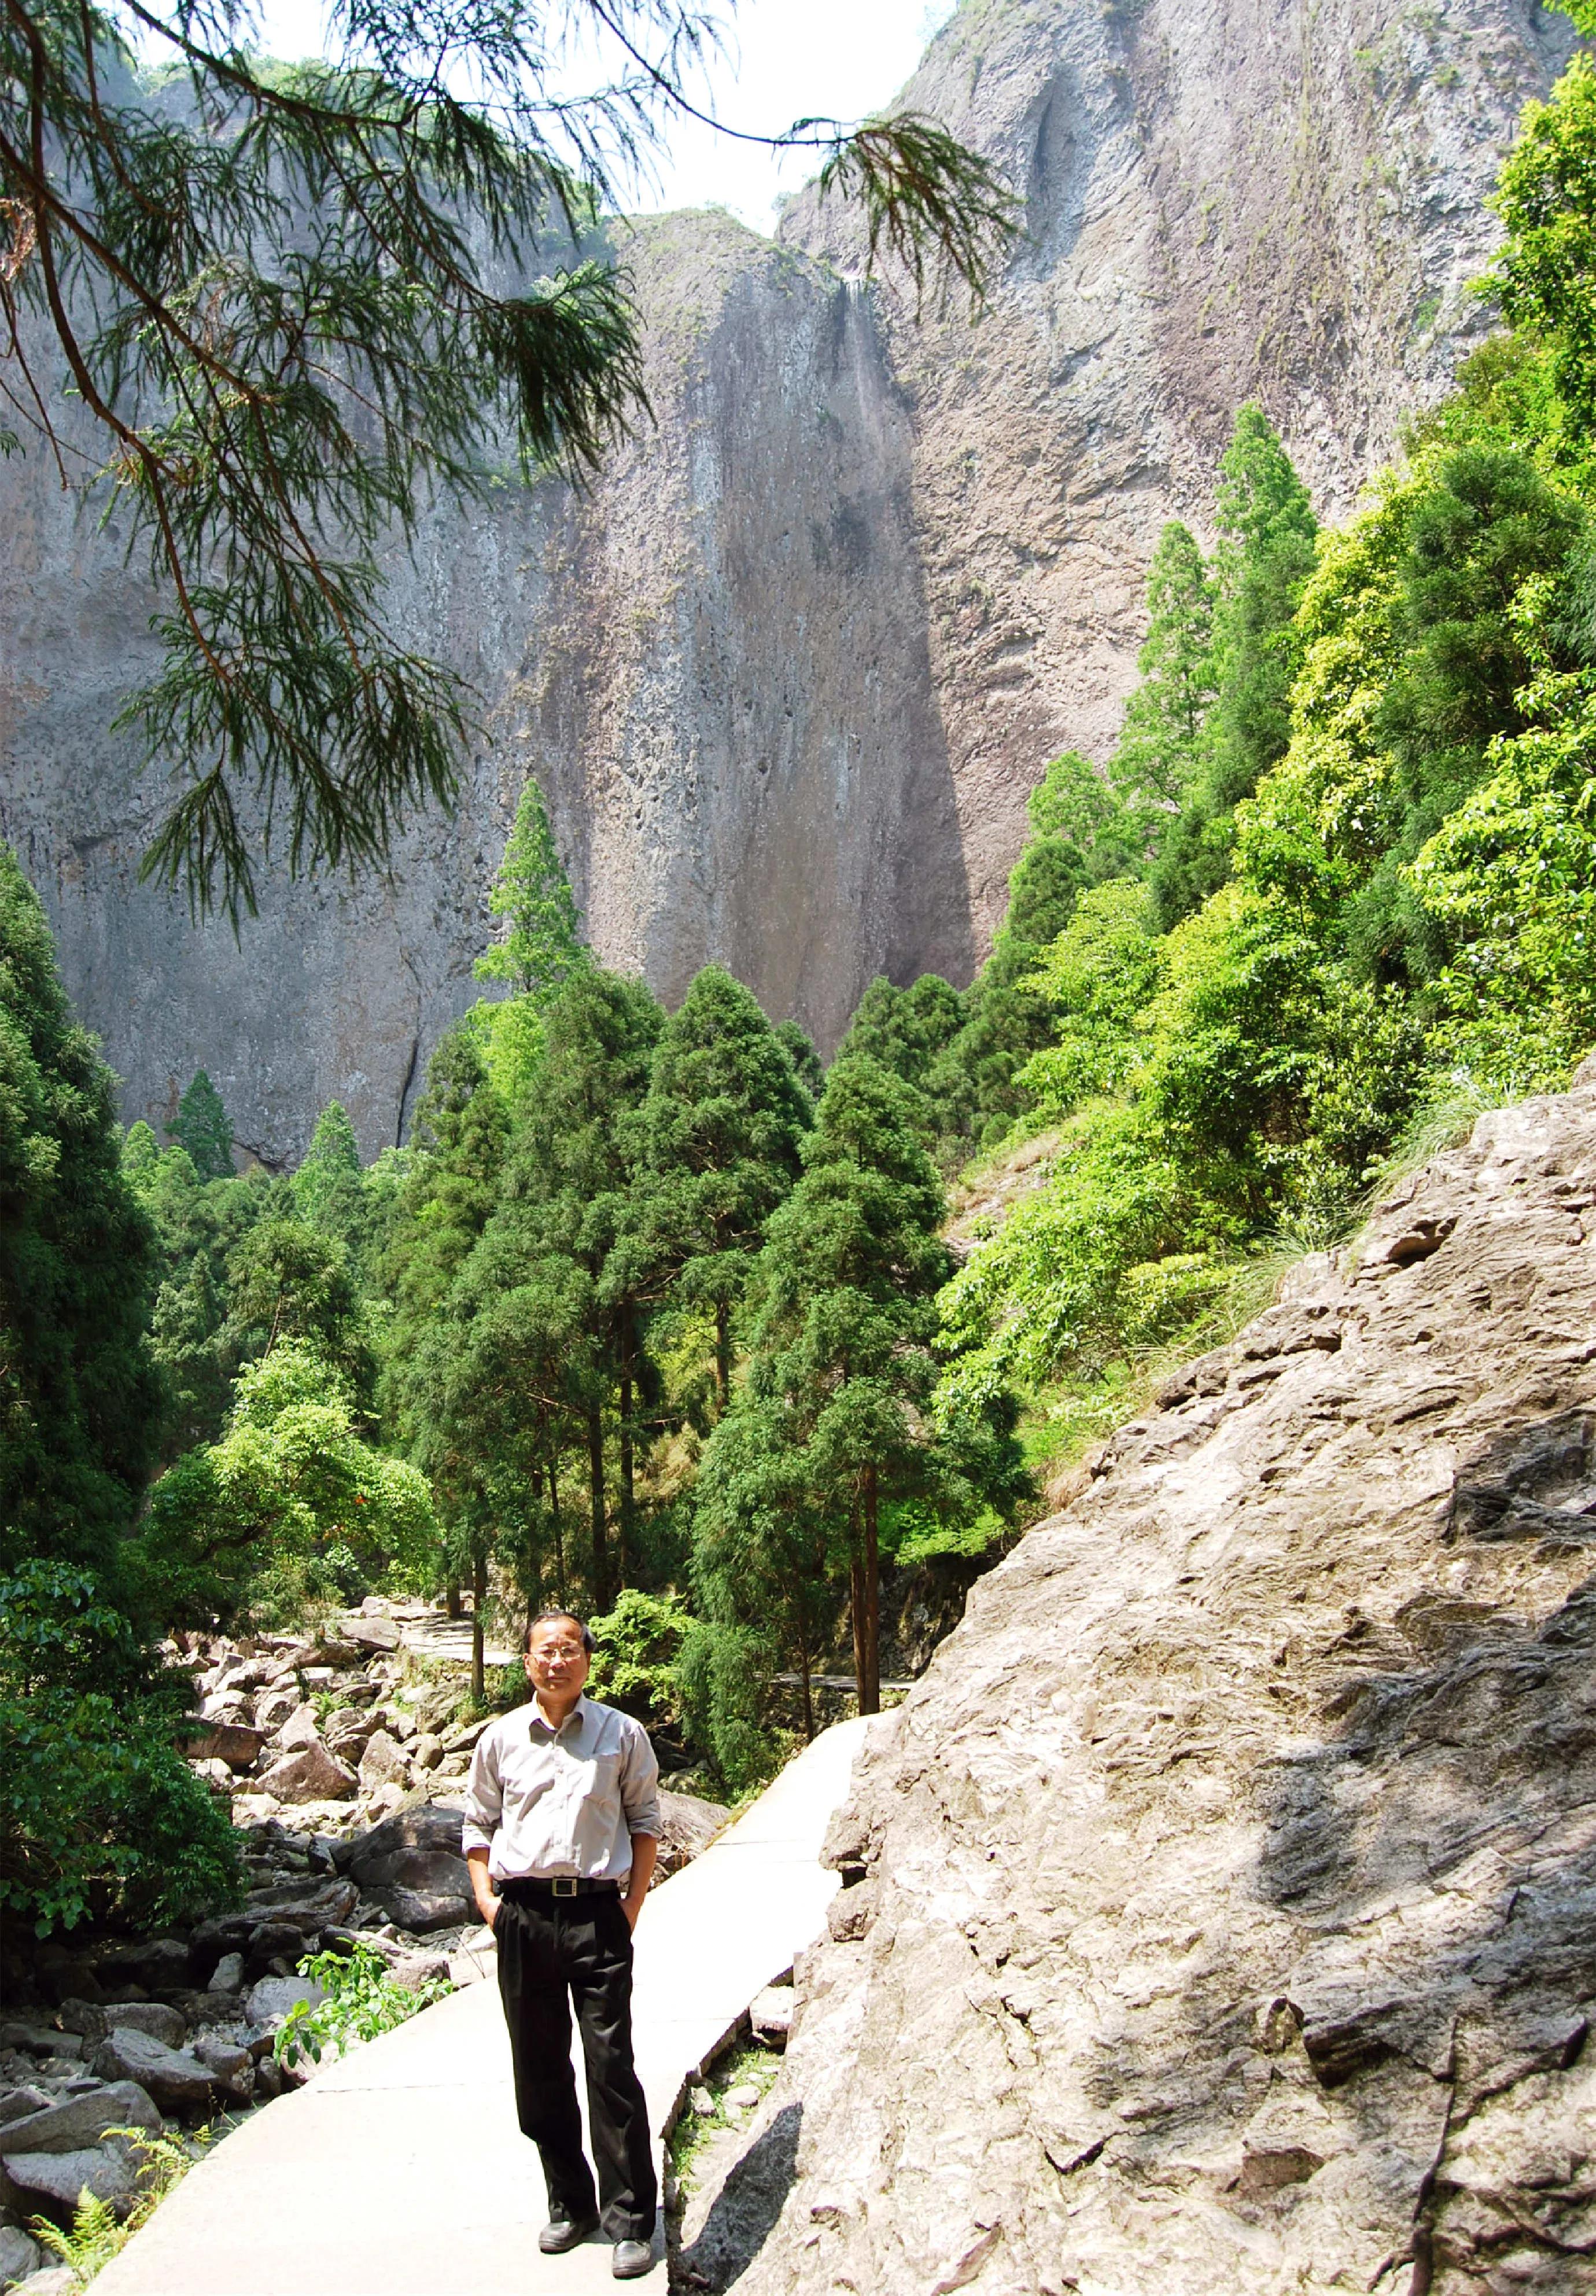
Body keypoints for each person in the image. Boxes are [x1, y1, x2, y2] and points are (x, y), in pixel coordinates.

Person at [463, 1609, 662, 2281]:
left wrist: (631, 1904)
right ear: (526, 1662)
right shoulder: (500, 1738)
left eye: (569, 1649)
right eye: (545, 1651)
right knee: (539, 2068)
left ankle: (632, 2218)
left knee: (610, 2063)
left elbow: (645, 1822)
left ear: (586, 1659)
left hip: (597, 1915)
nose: (557, 1661)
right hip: (521, 1915)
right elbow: (477, 1823)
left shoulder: (621, 1733)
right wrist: (488, 1902)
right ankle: (569, 2203)